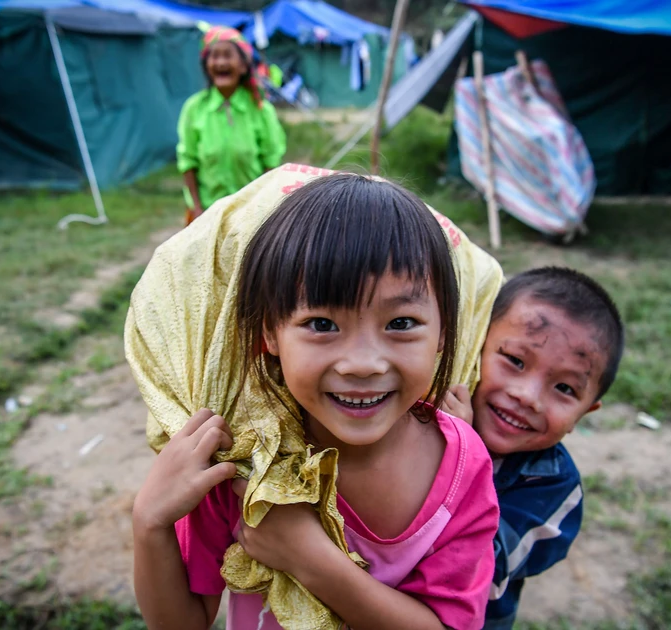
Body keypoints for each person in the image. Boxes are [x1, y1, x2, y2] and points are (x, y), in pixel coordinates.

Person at [131, 174, 501, 630]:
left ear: (444, 330)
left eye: (401, 322)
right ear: (269, 332)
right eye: (322, 324)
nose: (363, 363)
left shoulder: (463, 466)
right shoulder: (238, 462)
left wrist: (310, 558)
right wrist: (149, 522)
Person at [441, 267, 625, 630]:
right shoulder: (429, 410)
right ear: (476, 344)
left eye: (565, 389)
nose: (527, 396)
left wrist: (458, 456)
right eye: (515, 361)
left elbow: (476, 573)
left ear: (584, 413)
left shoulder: (553, 490)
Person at [177, 26, 286, 225]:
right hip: (206, 214)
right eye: (214, 56)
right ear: (206, 65)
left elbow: (271, 163)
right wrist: (198, 209)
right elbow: (188, 162)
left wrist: (262, 210)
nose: (220, 62)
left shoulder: (261, 110)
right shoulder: (194, 109)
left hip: (251, 214)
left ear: (244, 65)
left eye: (228, 55)